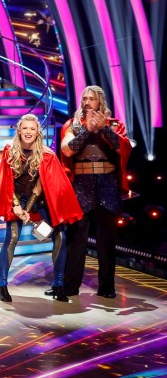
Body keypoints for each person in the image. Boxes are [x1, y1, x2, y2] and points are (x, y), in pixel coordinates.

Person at [0, 115, 83, 303]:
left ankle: (58, 285)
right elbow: (6, 180)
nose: (28, 132)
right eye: (25, 128)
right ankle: (2, 284)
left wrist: (28, 208)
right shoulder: (9, 151)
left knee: (60, 236)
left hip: (40, 200)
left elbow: (40, 186)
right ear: (19, 131)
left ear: (38, 132)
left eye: (32, 129)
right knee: (12, 237)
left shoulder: (47, 154)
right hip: (15, 198)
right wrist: (16, 206)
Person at [60, 86, 131, 299]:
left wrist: (104, 129)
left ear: (100, 101)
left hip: (107, 188)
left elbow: (123, 148)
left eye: (92, 98)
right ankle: (70, 287)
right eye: (84, 98)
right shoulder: (72, 125)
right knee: (76, 242)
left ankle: (107, 288)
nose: (87, 102)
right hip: (80, 189)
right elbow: (67, 150)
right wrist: (87, 131)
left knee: (107, 243)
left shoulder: (115, 125)